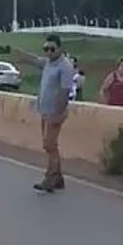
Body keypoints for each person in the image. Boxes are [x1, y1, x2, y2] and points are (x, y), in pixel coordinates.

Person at [14, 35, 75, 193]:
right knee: (50, 145)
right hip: (44, 109)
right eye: (46, 49)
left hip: (55, 111)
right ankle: (58, 178)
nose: (49, 52)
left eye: (52, 49)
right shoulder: (48, 62)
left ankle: (50, 177)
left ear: (60, 49)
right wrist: (18, 53)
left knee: (49, 145)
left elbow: (64, 92)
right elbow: (34, 60)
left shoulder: (65, 67)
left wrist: (57, 113)